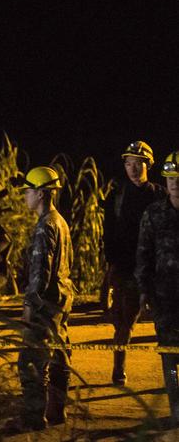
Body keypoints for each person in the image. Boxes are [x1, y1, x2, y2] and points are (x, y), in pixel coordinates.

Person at [13, 166, 73, 431]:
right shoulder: (60, 221)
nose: (25, 195)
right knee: (60, 357)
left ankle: (34, 417)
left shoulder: (45, 226)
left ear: (40, 193)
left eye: (28, 190)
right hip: (61, 300)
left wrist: (29, 308)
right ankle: (58, 412)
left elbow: (39, 274)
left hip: (45, 305)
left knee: (30, 362)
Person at [102, 141, 165, 385]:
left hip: (159, 272)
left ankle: (171, 380)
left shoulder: (161, 195)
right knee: (124, 323)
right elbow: (108, 234)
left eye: (138, 163)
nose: (133, 168)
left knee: (167, 329)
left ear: (148, 164)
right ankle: (119, 369)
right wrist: (110, 269)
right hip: (126, 269)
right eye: (128, 163)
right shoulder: (117, 196)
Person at [135, 150, 179, 425]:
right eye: (171, 176)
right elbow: (143, 253)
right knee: (169, 355)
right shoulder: (154, 213)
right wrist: (143, 290)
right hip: (165, 296)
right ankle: (177, 408)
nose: (175, 181)